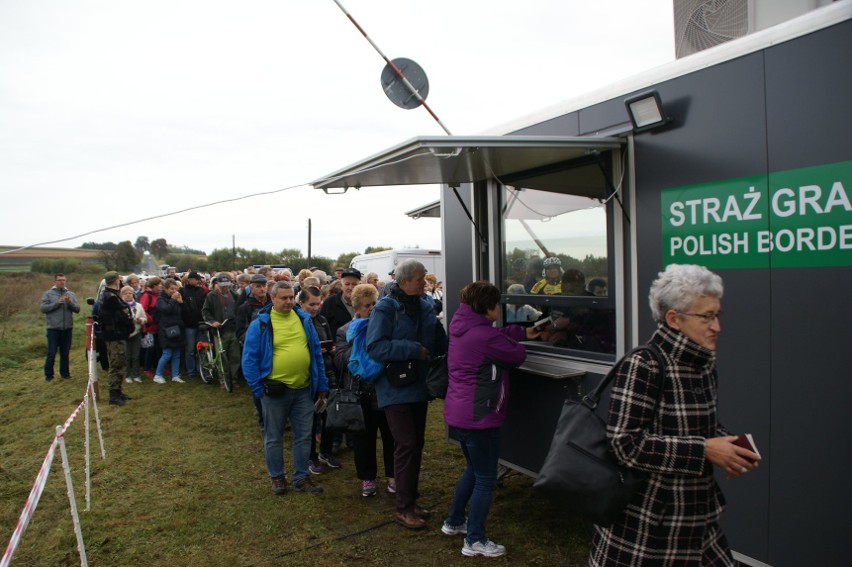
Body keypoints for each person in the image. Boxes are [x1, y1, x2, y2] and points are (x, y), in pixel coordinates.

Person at [589, 264, 760, 566]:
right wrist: (705, 450)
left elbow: (697, 425)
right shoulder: (645, 365)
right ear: (673, 319)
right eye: (706, 316)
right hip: (649, 528)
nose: (716, 326)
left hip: (698, 516)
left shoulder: (702, 363)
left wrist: (729, 447)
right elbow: (624, 444)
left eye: (717, 315)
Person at [442, 281, 541, 557]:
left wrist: (523, 331)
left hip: (461, 413)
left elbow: (497, 335)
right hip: (480, 416)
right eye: (498, 305)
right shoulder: (483, 336)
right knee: (486, 477)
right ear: (488, 307)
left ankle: (453, 521)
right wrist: (525, 338)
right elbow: (516, 354)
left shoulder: (464, 326)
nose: (500, 309)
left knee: (473, 470)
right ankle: (474, 539)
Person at [365, 259, 448, 530]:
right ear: (404, 281)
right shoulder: (385, 308)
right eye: (420, 278)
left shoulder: (425, 305)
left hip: (419, 386)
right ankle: (403, 508)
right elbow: (375, 347)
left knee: (416, 444)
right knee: (407, 445)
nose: (425, 283)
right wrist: (413, 349)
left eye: (425, 278)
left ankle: (411, 501)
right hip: (394, 387)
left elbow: (439, 341)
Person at [242, 282, 329, 495]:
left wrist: (322, 383)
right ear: (273, 299)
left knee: (304, 436)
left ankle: (301, 477)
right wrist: (258, 389)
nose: (289, 301)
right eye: (284, 298)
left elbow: (316, 353)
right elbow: (249, 360)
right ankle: (277, 477)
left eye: (291, 297)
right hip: (274, 391)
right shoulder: (261, 324)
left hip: (303, 390)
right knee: (274, 436)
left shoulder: (304, 320)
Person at [334, 284, 395, 497]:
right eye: (367, 305)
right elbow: (340, 358)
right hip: (360, 393)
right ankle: (367, 478)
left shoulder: (386, 327)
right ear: (357, 308)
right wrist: (360, 344)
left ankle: (393, 476)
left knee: (391, 436)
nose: (371, 309)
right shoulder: (345, 331)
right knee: (363, 439)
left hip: (384, 391)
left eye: (374, 304)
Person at [298, 286, 341, 472]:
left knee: (329, 415)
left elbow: (330, 340)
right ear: (301, 304)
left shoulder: (322, 320)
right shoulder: (298, 322)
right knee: (310, 418)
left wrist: (331, 350)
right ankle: (310, 457)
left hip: (327, 371)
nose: (315, 308)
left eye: (318, 303)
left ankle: (326, 451)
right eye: (311, 304)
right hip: (309, 375)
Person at [99, 272, 135, 405]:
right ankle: (114, 395)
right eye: (119, 279)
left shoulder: (111, 295)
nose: (121, 281)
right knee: (116, 364)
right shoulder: (111, 297)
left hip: (117, 334)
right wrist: (128, 322)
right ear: (115, 281)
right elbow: (121, 314)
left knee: (120, 363)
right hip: (115, 335)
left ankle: (118, 391)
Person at [201, 274, 241, 388]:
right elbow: (205, 311)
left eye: (227, 286)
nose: (225, 288)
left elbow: (239, 308)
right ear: (217, 284)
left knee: (235, 356)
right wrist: (212, 321)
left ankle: (233, 379)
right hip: (220, 330)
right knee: (221, 355)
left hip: (233, 329)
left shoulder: (234, 294)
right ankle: (223, 379)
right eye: (223, 286)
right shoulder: (211, 296)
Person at [40, 273, 80, 381]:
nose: (62, 282)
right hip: (53, 328)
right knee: (51, 353)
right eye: (59, 280)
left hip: (67, 328)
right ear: (55, 282)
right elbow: (43, 308)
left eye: (64, 280)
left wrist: (69, 303)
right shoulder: (48, 294)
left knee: (65, 353)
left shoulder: (70, 294)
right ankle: (49, 376)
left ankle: (65, 374)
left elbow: (77, 309)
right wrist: (57, 303)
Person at [153, 278, 187, 384]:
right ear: (166, 289)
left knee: (176, 353)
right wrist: (173, 300)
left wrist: (181, 303)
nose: (174, 291)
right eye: (172, 289)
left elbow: (183, 312)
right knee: (167, 353)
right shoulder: (160, 299)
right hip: (166, 329)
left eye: (176, 289)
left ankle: (175, 375)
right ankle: (158, 375)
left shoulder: (176, 298)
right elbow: (166, 310)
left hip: (177, 328)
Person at [180, 271, 208, 379]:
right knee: (190, 350)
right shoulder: (183, 291)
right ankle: (191, 371)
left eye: (198, 279)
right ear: (190, 279)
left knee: (202, 349)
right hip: (189, 325)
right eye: (196, 279)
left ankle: (202, 369)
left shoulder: (202, 291)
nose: (198, 281)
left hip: (201, 324)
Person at [319, 267, 361, 337]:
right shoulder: (330, 303)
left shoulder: (365, 303)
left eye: (354, 284)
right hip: (338, 346)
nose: (350, 288)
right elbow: (322, 327)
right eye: (347, 284)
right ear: (341, 286)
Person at [121, 285, 147, 384]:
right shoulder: (121, 306)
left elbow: (145, 318)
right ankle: (127, 375)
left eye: (130, 293)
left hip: (137, 332)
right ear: (122, 295)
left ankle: (136, 375)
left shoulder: (138, 306)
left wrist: (140, 320)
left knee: (136, 355)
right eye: (125, 293)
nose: (128, 295)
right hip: (125, 334)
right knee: (127, 356)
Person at [139, 277, 163, 378]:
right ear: (154, 286)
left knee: (158, 347)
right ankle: (147, 368)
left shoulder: (158, 295)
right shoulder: (146, 296)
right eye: (159, 285)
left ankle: (159, 366)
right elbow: (142, 310)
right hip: (149, 327)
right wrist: (151, 319)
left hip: (158, 326)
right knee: (150, 348)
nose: (161, 286)